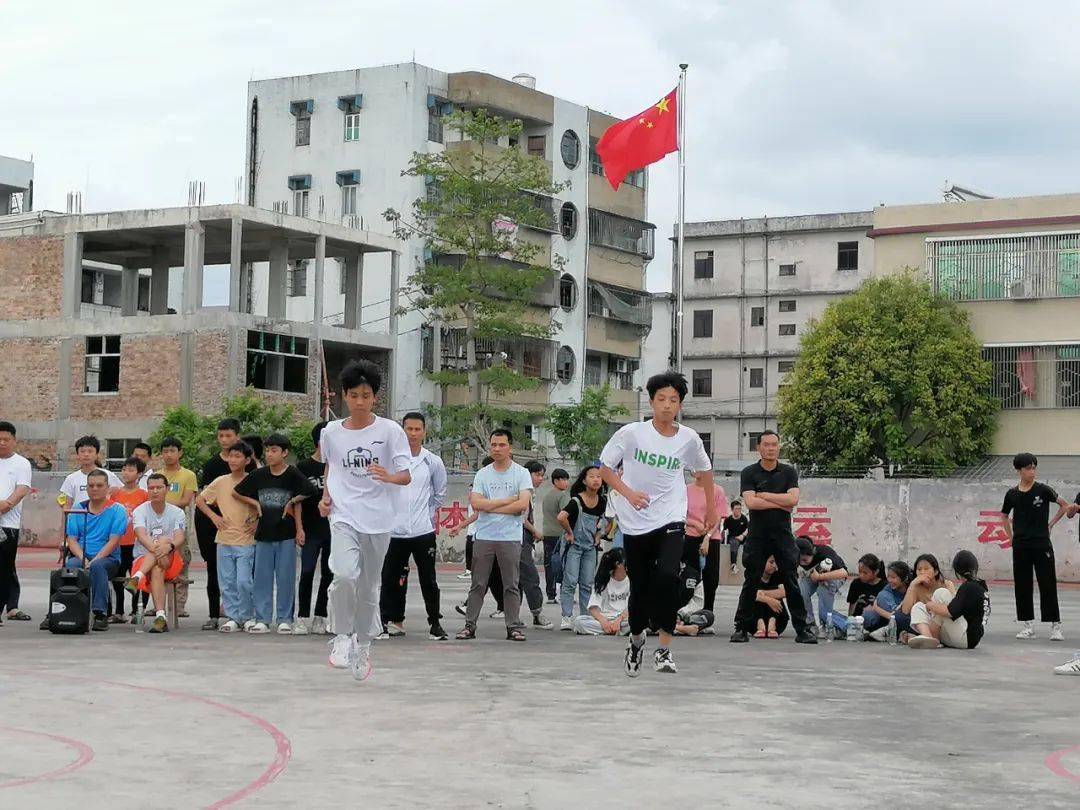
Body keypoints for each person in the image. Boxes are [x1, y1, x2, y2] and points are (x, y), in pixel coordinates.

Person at [599, 371, 717, 677]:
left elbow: (704, 472)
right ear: (651, 402)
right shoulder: (632, 434)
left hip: (670, 518)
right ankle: (636, 640)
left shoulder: (688, 438)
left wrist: (712, 510)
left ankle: (664, 648)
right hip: (635, 522)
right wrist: (629, 493)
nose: (667, 405)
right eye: (661, 399)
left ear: (680, 405)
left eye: (673, 400)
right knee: (640, 588)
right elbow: (606, 470)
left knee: (667, 578)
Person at [321, 360, 412, 682]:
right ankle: (343, 635)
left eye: (366, 395)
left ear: (375, 397)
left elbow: (405, 475)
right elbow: (331, 467)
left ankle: (364, 644)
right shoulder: (330, 432)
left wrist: (388, 476)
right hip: (344, 514)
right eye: (354, 395)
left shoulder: (390, 431)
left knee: (369, 585)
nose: (360, 401)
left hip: (379, 518)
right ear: (344, 396)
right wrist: (326, 496)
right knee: (344, 574)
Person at [730, 431, 815, 645]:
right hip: (758, 535)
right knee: (751, 580)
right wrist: (782, 502)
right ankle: (741, 627)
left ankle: (802, 629)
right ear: (759, 448)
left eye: (775, 444)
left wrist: (765, 495)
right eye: (766, 445)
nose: (771, 448)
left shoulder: (788, 472)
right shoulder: (749, 472)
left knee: (791, 581)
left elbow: (793, 499)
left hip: (783, 535)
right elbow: (751, 503)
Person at [234, 433, 315, 635]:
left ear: (284, 453)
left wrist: (292, 502)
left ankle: (284, 619)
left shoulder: (292, 474)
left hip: (286, 535)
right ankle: (262, 618)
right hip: (263, 534)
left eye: (274, 450)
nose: (270, 454)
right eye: (267, 450)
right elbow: (238, 492)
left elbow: (311, 490)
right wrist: (256, 504)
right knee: (262, 578)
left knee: (286, 578)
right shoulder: (259, 475)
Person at [456, 430, 532, 642]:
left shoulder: (521, 474)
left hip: (510, 537)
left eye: (502, 445)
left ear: (510, 447)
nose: (497, 449)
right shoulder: (483, 474)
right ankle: (469, 626)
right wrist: (508, 501)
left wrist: (491, 507)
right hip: (484, 536)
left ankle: (513, 627)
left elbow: (523, 504)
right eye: (494, 445)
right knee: (478, 584)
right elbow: (477, 504)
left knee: (511, 584)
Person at [379, 412, 448, 640]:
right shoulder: (390, 460)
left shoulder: (432, 461)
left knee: (429, 579)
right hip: (394, 532)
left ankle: (435, 623)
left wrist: (426, 515)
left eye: (418, 429)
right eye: (409, 429)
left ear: (424, 432)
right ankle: (390, 620)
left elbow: (439, 494)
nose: (413, 434)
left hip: (422, 532)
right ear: (402, 430)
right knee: (392, 578)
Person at [1000, 452, 1069, 641]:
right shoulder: (1012, 494)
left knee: (1047, 583)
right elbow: (1004, 516)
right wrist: (1010, 537)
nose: (1032, 471)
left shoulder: (1044, 490)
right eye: (1028, 468)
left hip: (1041, 544)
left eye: (1034, 467)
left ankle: (1055, 625)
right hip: (1021, 545)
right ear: (1019, 470)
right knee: (1022, 584)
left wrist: (1051, 524)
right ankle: (1027, 624)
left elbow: (1064, 505)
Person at [196, 441, 259, 633]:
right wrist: (214, 516)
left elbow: (262, 503)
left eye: (238, 456)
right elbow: (200, 500)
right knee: (227, 581)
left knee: (244, 581)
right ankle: (233, 617)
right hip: (223, 539)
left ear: (247, 460)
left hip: (246, 539)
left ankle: (247, 616)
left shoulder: (254, 479)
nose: (233, 460)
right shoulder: (220, 481)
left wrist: (257, 521)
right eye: (231, 456)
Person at [63, 469, 126, 631]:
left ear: (107, 487)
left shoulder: (117, 510)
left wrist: (95, 560)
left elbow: (114, 541)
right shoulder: (78, 508)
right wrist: (84, 559)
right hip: (82, 554)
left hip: (108, 558)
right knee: (71, 565)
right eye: (91, 485)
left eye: (99, 485)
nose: (95, 489)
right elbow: (72, 540)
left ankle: (100, 613)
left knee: (98, 567)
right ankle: (68, 610)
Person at [124, 474, 187, 634]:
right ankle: (161, 617)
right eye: (151, 488)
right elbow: (141, 535)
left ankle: (137, 577)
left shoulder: (177, 512)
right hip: (145, 558)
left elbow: (179, 537)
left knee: (165, 539)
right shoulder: (140, 510)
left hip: (171, 558)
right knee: (157, 567)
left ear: (167, 489)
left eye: (159, 487)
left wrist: (168, 547)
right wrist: (160, 550)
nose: (155, 491)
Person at [556, 464, 608, 631]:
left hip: (590, 548)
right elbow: (561, 517)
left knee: (587, 583)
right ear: (584, 480)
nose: (596, 480)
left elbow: (609, 521)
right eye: (592, 476)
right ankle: (566, 616)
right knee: (570, 581)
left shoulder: (603, 501)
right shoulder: (576, 500)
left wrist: (599, 536)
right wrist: (569, 533)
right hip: (574, 546)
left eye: (599, 477)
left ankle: (585, 617)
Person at [295, 422, 335, 636]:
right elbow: (297, 502)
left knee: (329, 574)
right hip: (310, 530)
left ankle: (321, 616)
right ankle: (302, 617)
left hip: (333, 530)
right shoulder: (303, 467)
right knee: (308, 572)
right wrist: (299, 528)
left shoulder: (338, 466)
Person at [906, 550, 990, 650]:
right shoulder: (980, 585)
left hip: (966, 638)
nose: (922, 572)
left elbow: (951, 612)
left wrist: (930, 605)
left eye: (926, 568)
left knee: (941, 593)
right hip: (965, 636)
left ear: (956, 570)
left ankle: (931, 637)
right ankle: (928, 638)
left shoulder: (968, 587)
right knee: (918, 606)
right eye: (919, 569)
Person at [159, 436, 198, 619]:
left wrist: (164, 504)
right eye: (165, 451)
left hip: (178, 525)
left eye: (172, 451)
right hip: (158, 525)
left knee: (180, 563)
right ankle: (158, 604)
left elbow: (185, 500)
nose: (168, 455)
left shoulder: (188, 475)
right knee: (158, 563)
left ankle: (179, 605)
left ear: (180, 452)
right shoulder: (157, 475)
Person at [0, 421, 33, 624]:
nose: (2, 443)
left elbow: (22, 489)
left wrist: (7, 504)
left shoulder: (21, 463)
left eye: (6, 439)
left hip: (7, 525)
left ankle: (7, 606)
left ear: (14, 441)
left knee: (4, 568)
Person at [110, 457, 150, 623]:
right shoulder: (115, 493)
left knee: (139, 578)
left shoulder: (144, 495)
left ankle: (137, 611)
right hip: (119, 543)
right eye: (124, 469)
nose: (126, 473)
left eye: (131, 470)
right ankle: (119, 611)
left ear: (140, 474)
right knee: (117, 578)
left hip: (138, 544)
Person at [684, 477, 729, 613]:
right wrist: (694, 524)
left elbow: (719, 517)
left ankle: (707, 611)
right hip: (691, 534)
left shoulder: (717, 490)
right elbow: (680, 514)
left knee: (712, 575)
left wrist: (708, 537)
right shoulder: (686, 490)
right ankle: (688, 611)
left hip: (712, 536)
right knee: (691, 575)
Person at [519, 460, 554, 630]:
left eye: (542, 475)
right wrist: (535, 532)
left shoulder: (530, 494)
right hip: (519, 539)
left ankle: (513, 616)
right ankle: (537, 614)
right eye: (537, 475)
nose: (540, 479)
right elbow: (522, 518)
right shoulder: (523, 492)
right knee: (530, 577)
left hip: (523, 539)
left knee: (517, 580)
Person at [574, 547, 630, 635]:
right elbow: (593, 609)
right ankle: (614, 630)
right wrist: (604, 622)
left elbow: (634, 606)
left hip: (625, 619)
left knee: (640, 621)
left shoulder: (632, 580)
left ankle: (614, 629)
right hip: (606, 618)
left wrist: (619, 620)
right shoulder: (603, 581)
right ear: (618, 564)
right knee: (579, 622)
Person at [59, 435, 122, 506]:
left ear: (97, 454)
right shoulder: (71, 478)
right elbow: (66, 506)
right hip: (80, 516)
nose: (86, 454)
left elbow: (120, 495)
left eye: (90, 451)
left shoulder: (109, 475)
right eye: (82, 451)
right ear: (77, 454)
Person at [541, 468, 571, 603]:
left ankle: (551, 594)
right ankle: (562, 593)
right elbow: (566, 515)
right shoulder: (563, 496)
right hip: (560, 534)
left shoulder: (547, 496)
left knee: (549, 564)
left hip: (547, 533)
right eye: (563, 479)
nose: (566, 482)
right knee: (562, 564)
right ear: (556, 481)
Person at [866, 561, 913, 639]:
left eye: (893, 577)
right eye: (888, 577)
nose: (890, 580)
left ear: (905, 578)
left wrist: (877, 608)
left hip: (904, 618)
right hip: (892, 616)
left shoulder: (912, 589)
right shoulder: (888, 590)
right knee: (870, 615)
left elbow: (899, 615)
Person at [749, 555, 788, 638]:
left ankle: (772, 622)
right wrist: (768, 600)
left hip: (778, 621)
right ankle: (760, 623)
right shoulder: (753, 575)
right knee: (754, 598)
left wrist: (762, 594)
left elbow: (785, 592)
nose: (774, 565)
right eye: (771, 562)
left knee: (775, 594)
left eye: (775, 562)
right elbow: (747, 594)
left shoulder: (777, 575)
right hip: (753, 622)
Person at [847, 553, 886, 618]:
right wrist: (850, 621)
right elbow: (852, 607)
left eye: (865, 573)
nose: (861, 575)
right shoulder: (856, 583)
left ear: (876, 572)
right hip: (857, 622)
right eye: (860, 571)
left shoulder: (884, 587)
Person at [722, 500, 749, 574]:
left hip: (743, 536)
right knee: (734, 543)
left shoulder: (744, 518)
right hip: (733, 537)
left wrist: (742, 536)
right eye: (736, 509)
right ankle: (733, 564)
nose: (738, 510)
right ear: (732, 509)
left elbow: (747, 529)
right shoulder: (728, 519)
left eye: (740, 508)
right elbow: (724, 531)